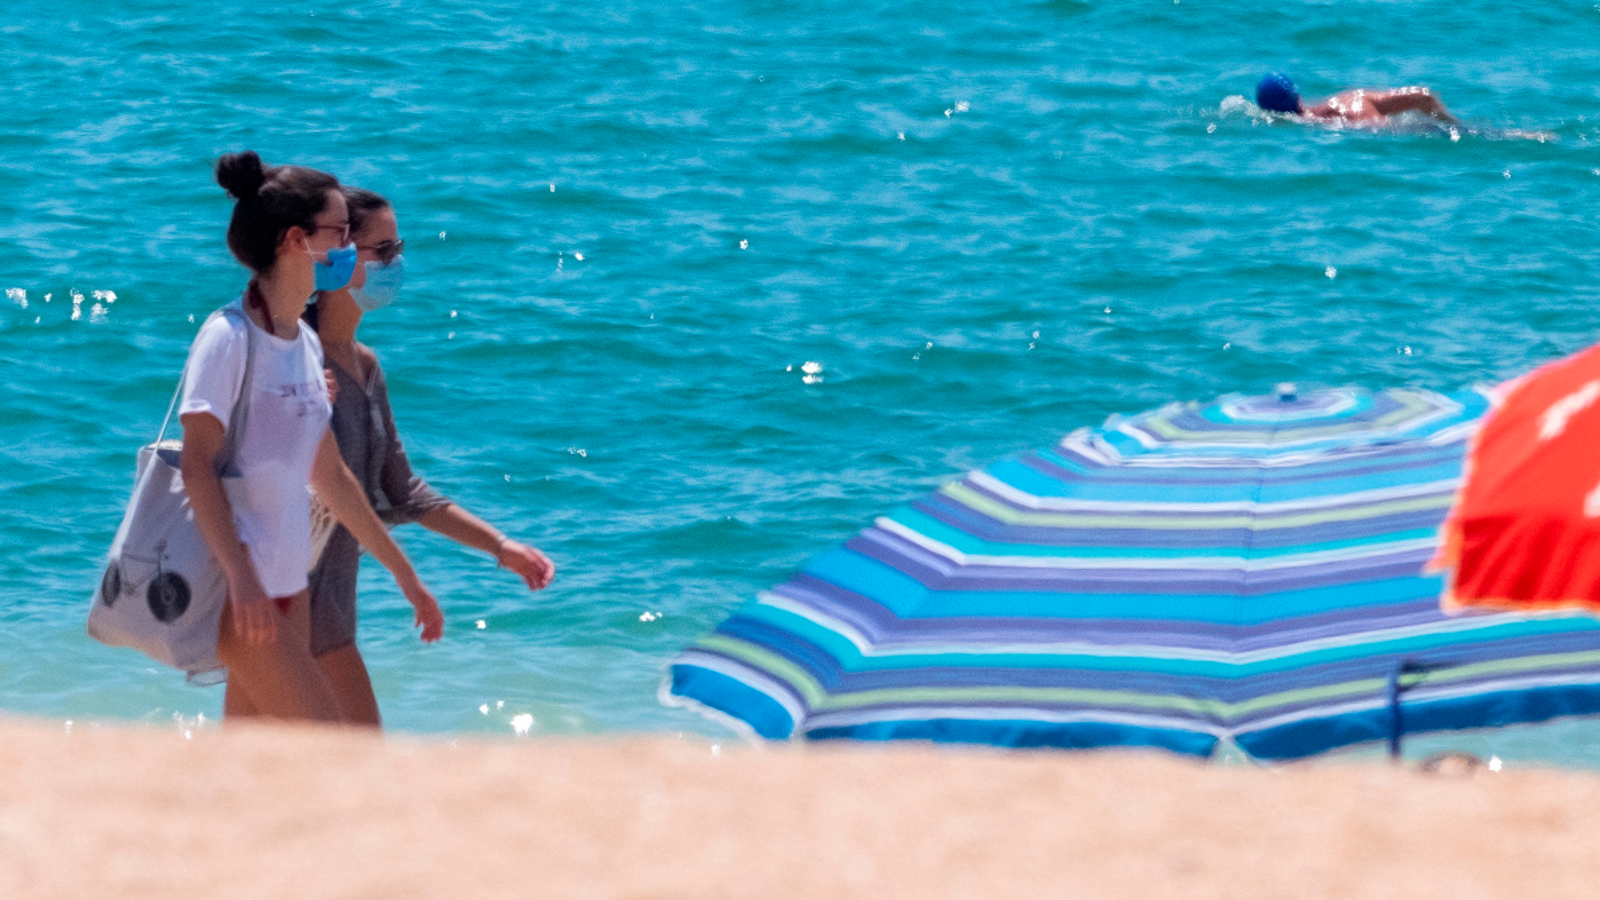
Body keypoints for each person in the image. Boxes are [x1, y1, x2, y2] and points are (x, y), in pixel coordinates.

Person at [183, 151, 444, 723]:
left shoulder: (302, 345)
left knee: (253, 754)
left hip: (289, 586)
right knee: (326, 746)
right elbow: (196, 464)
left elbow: (331, 478)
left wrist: (406, 577)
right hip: (242, 591)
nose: (350, 246)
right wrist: (242, 580)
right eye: (340, 232)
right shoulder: (228, 337)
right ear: (296, 241)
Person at [301, 185, 556, 727]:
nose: (395, 263)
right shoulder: (298, 357)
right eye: (383, 250)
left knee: (279, 755)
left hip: (330, 605)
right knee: (356, 750)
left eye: (398, 248)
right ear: (337, 255)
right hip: (287, 599)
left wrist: (501, 547)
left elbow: (404, 491)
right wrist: (408, 579)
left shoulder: (364, 367)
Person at [1255, 71, 1460, 127]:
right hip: (1359, 102)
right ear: (1298, 96)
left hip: (1364, 123)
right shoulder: (1348, 98)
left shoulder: (1313, 122)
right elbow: (1423, 96)